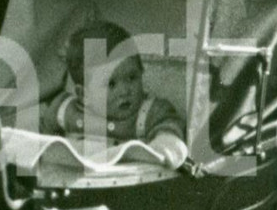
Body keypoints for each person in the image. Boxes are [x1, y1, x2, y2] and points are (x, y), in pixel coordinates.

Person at [41, 20, 188, 169]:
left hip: (125, 179)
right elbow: (43, 130)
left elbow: (169, 126)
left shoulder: (148, 112)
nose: (125, 91)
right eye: (111, 84)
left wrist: (164, 146)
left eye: (132, 77)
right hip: (75, 175)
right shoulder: (65, 109)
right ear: (84, 95)